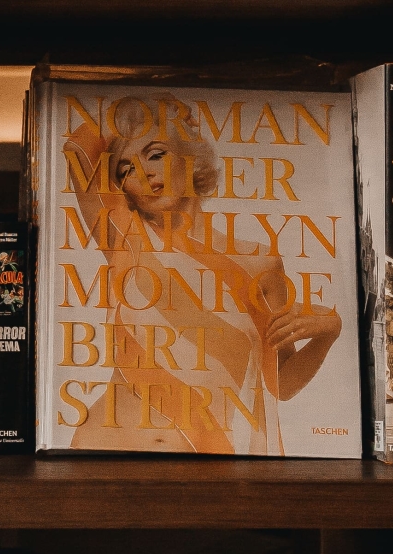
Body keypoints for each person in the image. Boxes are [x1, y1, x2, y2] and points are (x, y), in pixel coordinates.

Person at [67, 93, 342, 455]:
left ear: (190, 156)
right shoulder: (128, 237)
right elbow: (78, 147)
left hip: (214, 462)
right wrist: (155, 103)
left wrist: (329, 331)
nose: (144, 172)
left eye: (156, 153)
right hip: (108, 456)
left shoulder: (261, 262)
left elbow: (281, 384)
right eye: (126, 169)